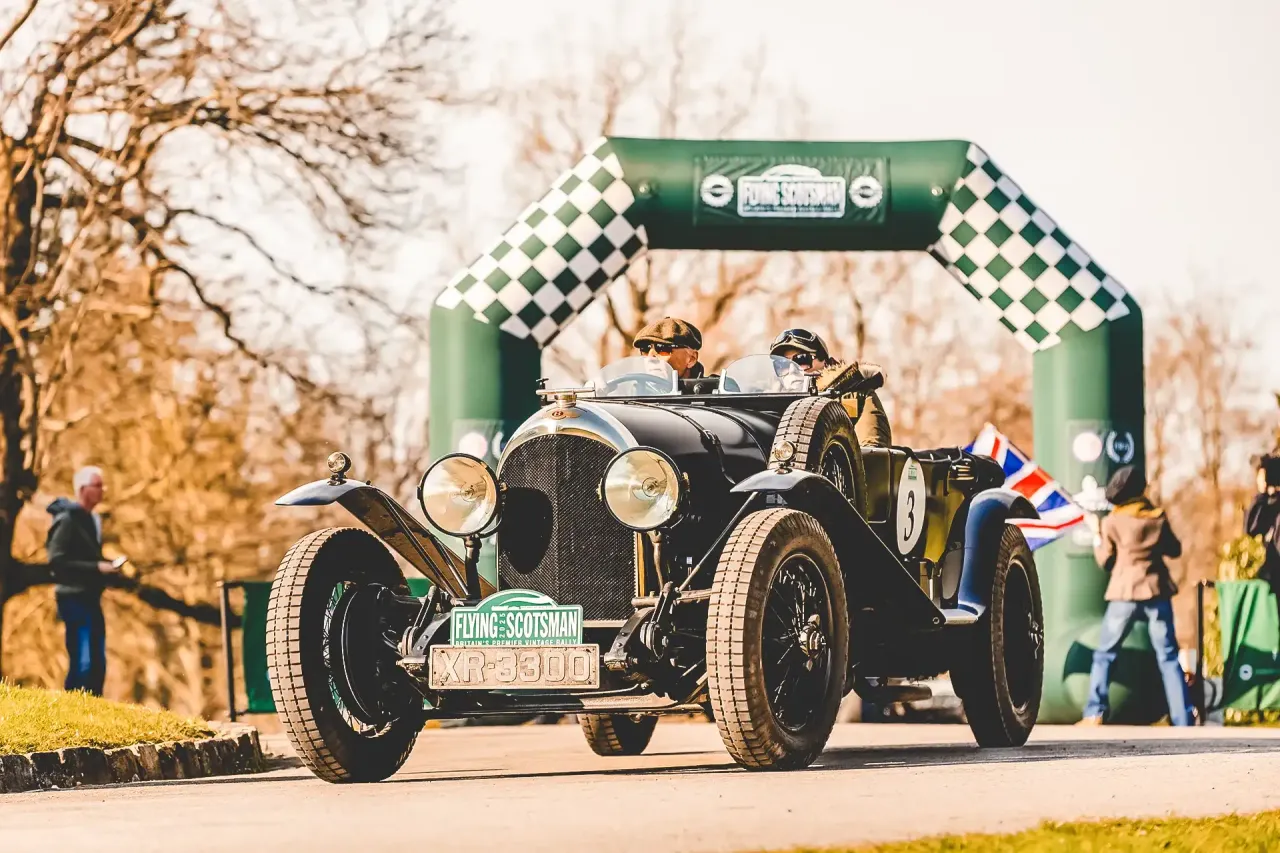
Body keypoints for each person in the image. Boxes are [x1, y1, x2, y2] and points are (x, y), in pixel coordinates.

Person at [1079, 465, 1193, 726]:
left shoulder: (1112, 522)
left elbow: (1106, 560)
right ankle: (1183, 718)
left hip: (1124, 593)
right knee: (1168, 657)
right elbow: (1175, 550)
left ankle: (1094, 713)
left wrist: (1096, 533)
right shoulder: (1157, 518)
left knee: (1105, 654)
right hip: (1157, 591)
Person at [46, 465, 121, 695]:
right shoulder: (67, 520)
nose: (102, 490)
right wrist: (97, 568)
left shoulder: (93, 520)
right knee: (84, 661)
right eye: (97, 486)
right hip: (72, 598)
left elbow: (89, 559)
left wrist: (110, 569)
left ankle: (93, 708)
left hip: (91, 597)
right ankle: (73, 707)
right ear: (82, 489)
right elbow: (57, 561)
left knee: (97, 662)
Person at [769, 328, 892, 447]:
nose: (792, 369)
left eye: (801, 359)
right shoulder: (769, 406)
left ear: (824, 362)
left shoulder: (856, 397)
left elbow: (872, 451)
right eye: (782, 364)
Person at [632, 317, 705, 380]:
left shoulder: (710, 391)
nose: (650, 357)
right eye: (645, 349)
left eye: (661, 348)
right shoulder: (635, 390)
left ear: (691, 359)